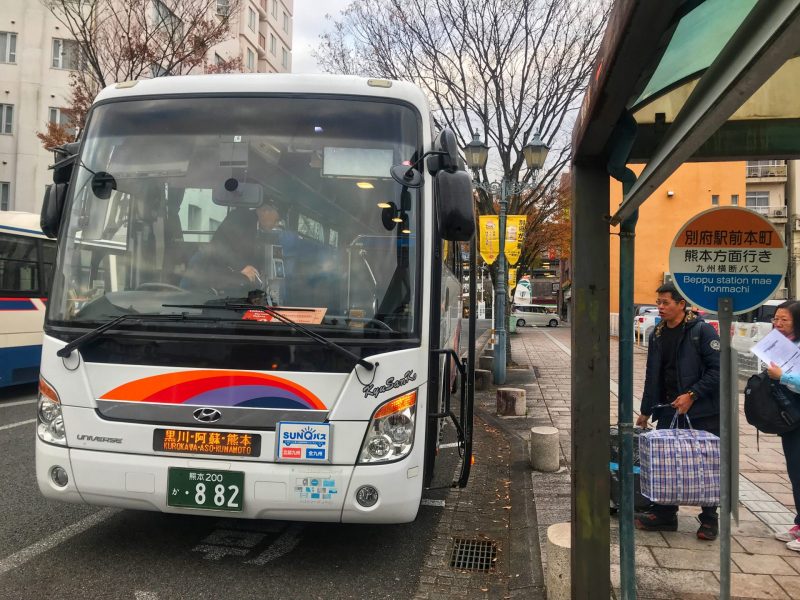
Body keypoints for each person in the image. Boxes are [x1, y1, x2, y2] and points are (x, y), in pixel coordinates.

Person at [634, 283, 721, 540]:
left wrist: (693, 394)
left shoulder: (701, 331)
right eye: (658, 302)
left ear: (680, 304)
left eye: (665, 303)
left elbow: (719, 369)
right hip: (669, 410)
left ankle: (708, 519)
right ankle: (664, 513)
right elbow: (654, 375)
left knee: (705, 464)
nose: (659, 307)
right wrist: (646, 410)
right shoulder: (658, 333)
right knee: (666, 461)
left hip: (702, 411)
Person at [181, 201, 282, 296]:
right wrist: (242, 266)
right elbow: (220, 245)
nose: (276, 224)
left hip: (222, 268)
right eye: (276, 220)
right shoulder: (240, 218)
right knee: (185, 299)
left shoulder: (259, 228)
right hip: (204, 263)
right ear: (265, 211)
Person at [764, 300, 800, 552]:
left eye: (783, 320)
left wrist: (782, 376)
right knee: (795, 471)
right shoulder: (781, 345)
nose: (777, 323)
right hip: (791, 417)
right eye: (775, 318)